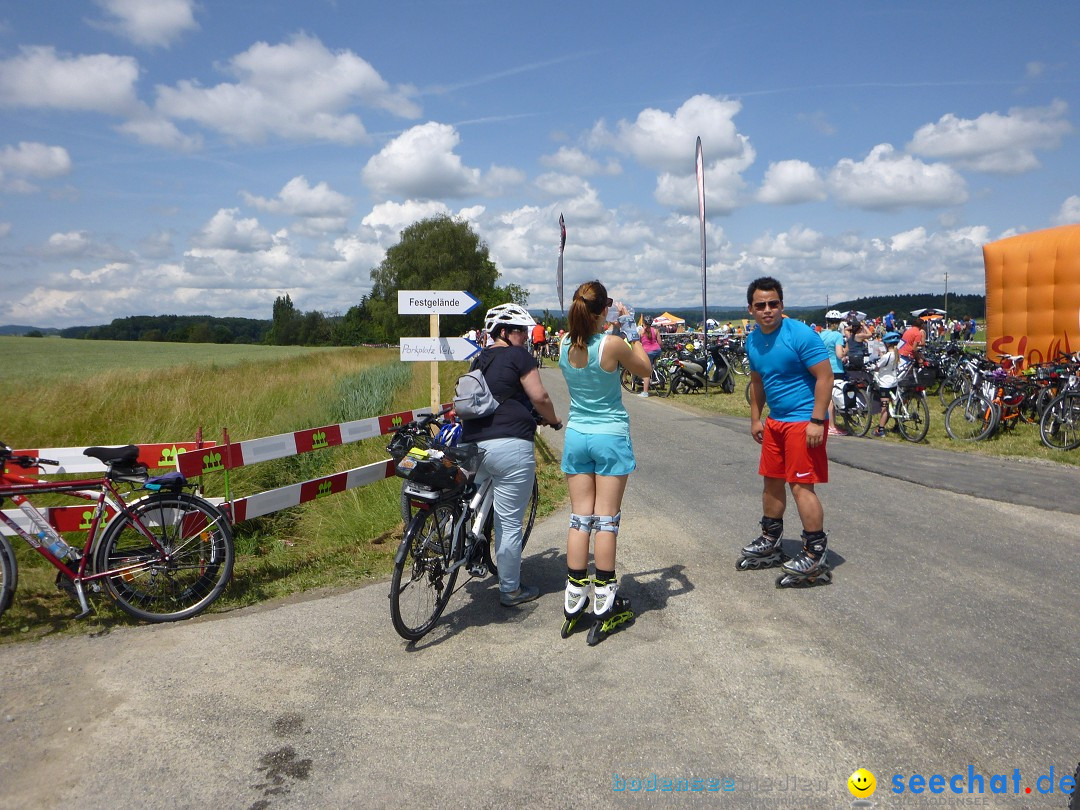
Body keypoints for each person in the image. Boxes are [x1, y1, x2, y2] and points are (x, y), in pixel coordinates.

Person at [558, 279, 652, 644]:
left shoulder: (565, 344)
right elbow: (643, 368)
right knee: (606, 520)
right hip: (609, 436)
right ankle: (604, 600)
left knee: (580, 516)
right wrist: (630, 327)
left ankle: (574, 594)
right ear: (602, 312)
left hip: (578, 436)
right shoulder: (611, 345)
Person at [460, 303, 561, 607]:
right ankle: (510, 589)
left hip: (471, 444)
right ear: (504, 332)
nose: (525, 337)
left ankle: (461, 542)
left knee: (471, 504)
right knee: (508, 523)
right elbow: (539, 396)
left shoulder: (478, 360)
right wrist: (554, 420)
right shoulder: (519, 356)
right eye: (520, 331)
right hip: (510, 447)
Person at [737, 276, 835, 587]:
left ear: (782, 305)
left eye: (773, 304)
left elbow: (825, 377)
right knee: (772, 481)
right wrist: (756, 418)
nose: (768, 310)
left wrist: (818, 421)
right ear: (751, 309)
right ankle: (771, 537)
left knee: (801, 487)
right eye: (761, 305)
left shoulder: (800, 334)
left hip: (803, 421)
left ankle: (814, 551)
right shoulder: (752, 340)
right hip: (776, 422)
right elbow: (757, 382)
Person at [865, 331, 902, 437]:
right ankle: (898, 425)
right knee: (894, 406)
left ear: (887, 344)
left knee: (884, 408)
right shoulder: (896, 354)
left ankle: (880, 430)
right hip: (894, 382)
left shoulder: (886, 357)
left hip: (885, 384)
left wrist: (871, 367)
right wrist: (882, 355)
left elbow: (877, 366)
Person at [819, 310, 848, 436]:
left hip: (823, 368)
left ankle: (828, 424)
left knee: (826, 398)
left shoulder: (821, 335)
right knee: (833, 398)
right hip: (836, 369)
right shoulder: (837, 336)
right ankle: (832, 425)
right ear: (838, 322)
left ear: (827, 322)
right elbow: (839, 354)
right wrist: (846, 350)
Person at [638, 316, 662, 397]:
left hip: (648, 352)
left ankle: (645, 392)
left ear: (643, 323)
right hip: (657, 350)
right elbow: (660, 343)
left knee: (646, 371)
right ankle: (656, 375)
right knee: (653, 366)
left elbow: (638, 344)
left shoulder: (641, 332)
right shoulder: (655, 330)